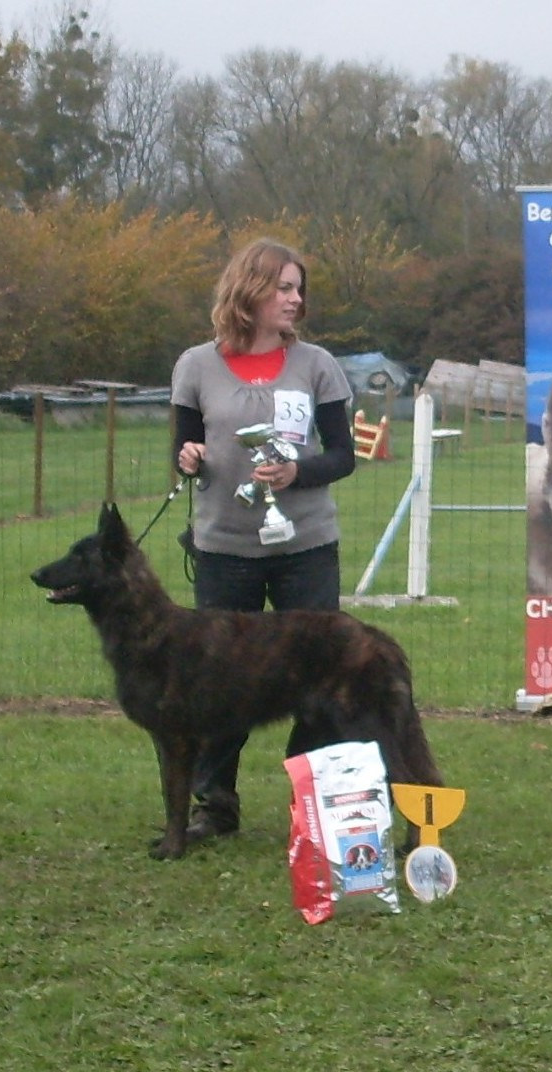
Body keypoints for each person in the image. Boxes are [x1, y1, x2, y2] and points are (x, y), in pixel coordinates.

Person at [170, 238, 356, 842]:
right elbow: (187, 451)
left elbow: (343, 457)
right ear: (248, 291)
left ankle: (313, 804)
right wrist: (190, 457)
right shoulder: (195, 366)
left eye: (298, 288)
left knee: (319, 681)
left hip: (305, 547)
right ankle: (215, 807)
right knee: (220, 685)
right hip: (225, 549)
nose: (295, 299)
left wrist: (298, 472)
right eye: (283, 288)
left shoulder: (318, 366)